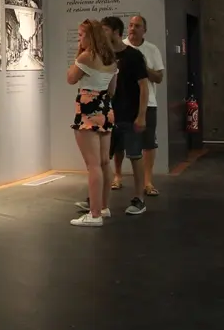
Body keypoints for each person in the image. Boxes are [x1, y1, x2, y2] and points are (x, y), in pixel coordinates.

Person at [67, 19, 118, 227]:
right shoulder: (111, 60)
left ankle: (94, 214)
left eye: (81, 35)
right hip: (106, 109)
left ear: (90, 36)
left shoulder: (86, 57)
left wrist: (78, 52)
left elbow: (70, 78)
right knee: (105, 162)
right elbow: (112, 89)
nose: (79, 39)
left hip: (88, 110)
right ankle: (103, 207)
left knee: (93, 165)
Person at [102, 16, 149, 215]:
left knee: (135, 156)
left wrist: (141, 115)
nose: (102, 34)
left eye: (105, 30)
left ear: (115, 32)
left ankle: (139, 199)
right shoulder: (103, 56)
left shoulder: (134, 56)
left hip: (129, 114)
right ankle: (98, 199)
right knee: (103, 159)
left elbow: (143, 87)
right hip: (107, 115)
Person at [123, 15, 165, 196]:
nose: (132, 28)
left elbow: (159, 78)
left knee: (148, 143)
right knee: (119, 143)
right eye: (130, 25)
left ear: (144, 30)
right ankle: (117, 176)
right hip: (124, 103)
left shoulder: (152, 50)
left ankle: (147, 181)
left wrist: (143, 68)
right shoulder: (121, 47)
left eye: (137, 26)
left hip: (148, 103)